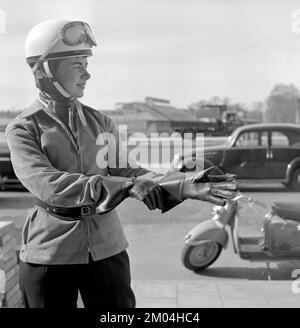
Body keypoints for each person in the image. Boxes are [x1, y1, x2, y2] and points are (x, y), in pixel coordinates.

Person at [5, 19, 238, 308]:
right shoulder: (23, 128)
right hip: (49, 252)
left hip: (107, 249)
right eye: (77, 65)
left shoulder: (99, 121)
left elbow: (128, 171)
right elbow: (48, 185)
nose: (87, 75)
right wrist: (127, 186)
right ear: (46, 70)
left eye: (86, 64)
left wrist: (183, 184)